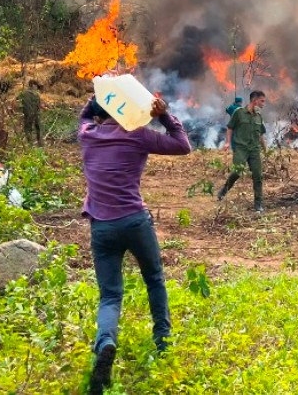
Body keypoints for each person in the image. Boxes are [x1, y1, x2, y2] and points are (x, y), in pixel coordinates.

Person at [78, 94, 191, 394]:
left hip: (101, 227)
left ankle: (106, 342)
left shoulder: (88, 136)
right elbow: (182, 144)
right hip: (134, 222)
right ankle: (163, 342)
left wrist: (100, 94)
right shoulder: (138, 135)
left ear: (101, 115)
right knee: (154, 279)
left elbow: (85, 115)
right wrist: (163, 115)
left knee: (110, 296)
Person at [217, 90, 267, 211]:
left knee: (258, 175)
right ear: (255, 100)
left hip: (254, 149)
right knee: (238, 171)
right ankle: (224, 189)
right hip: (241, 148)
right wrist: (227, 142)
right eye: (262, 101)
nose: (263, 104)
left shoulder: (259, 115)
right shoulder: (238, 113)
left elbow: (260, 133)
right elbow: (230, 128)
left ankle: (258, 204)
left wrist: (265, 148)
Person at [17, 81, 43, 146]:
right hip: (33, 114)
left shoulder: (24, 93)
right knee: (36, 128)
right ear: (33, 85)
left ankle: (31, 144)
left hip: (30, 114)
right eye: (36, 85)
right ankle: (39, 143)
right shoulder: (36, 95)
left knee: (29, 128)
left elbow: (17, 100)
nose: (37, 87)